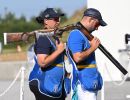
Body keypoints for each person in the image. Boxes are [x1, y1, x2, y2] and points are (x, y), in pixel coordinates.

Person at [67, 8, 107, 100]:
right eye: (97, 24)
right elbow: (77, 58)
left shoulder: (83, 35)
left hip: (88, 83)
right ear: (90, 20)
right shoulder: (76, 34)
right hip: (83, 84)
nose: (97, 28)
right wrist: (93, 47)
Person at [28, 8, 67, 100]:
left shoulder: (53, 37)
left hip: (53, 85)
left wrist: (66, 73)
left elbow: (56, 61)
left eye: (59, 19)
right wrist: (59, 51)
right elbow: (42, 62)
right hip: (44, 85)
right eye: (56, 19)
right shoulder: (43, 38)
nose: (59, 21)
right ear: (46, 21)